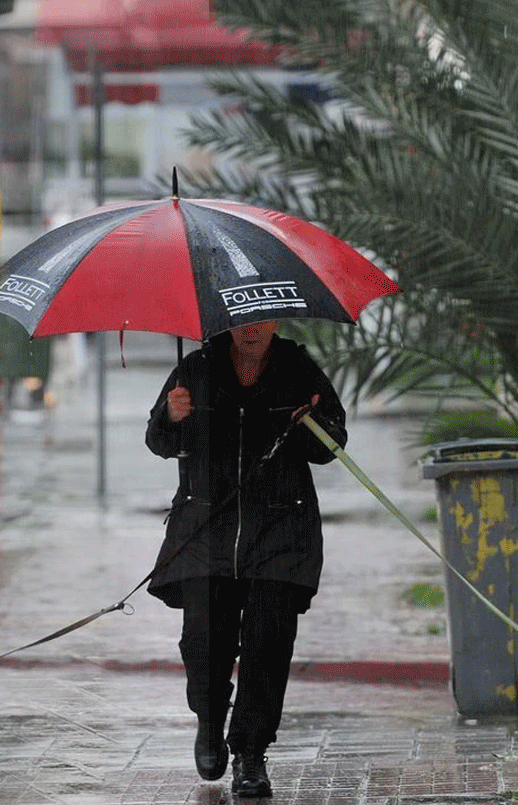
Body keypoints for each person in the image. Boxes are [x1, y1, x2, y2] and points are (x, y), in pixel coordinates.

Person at [144, 320, 346, 798]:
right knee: (203, 642)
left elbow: (333, 444)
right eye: (242, 321)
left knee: (268, 645)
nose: (252, 329)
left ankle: (251, 753)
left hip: (281, 530)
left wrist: (310, 425)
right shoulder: (194, 368)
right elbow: (159, 443)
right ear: (226, 322)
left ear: (275, 319)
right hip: (205, 532)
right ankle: (210, 721)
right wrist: (171, 417)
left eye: (261, 319)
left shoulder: (298, 370)